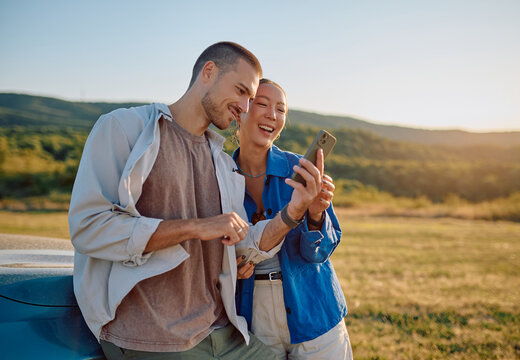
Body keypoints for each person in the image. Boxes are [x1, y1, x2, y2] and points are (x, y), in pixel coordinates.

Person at [68, 42, 324, 360]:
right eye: (241, 91)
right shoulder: (124, 128)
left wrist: (295, 210)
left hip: (222, 333)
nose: (246, 107)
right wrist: (197, 227)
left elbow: (244, 243)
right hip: (150, 338)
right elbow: (88, 227)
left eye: (250, 98)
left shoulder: (224, 164)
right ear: (208, 72)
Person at [234, 79, 353, 359]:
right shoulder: (220, 175)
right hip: (253, 318)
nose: (272, 115)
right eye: (261, 103)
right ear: (240, 109)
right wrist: (229, 264)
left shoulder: (300, 168)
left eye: (281, 109)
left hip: (314, 309)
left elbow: (321, 252)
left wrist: (315, 214)